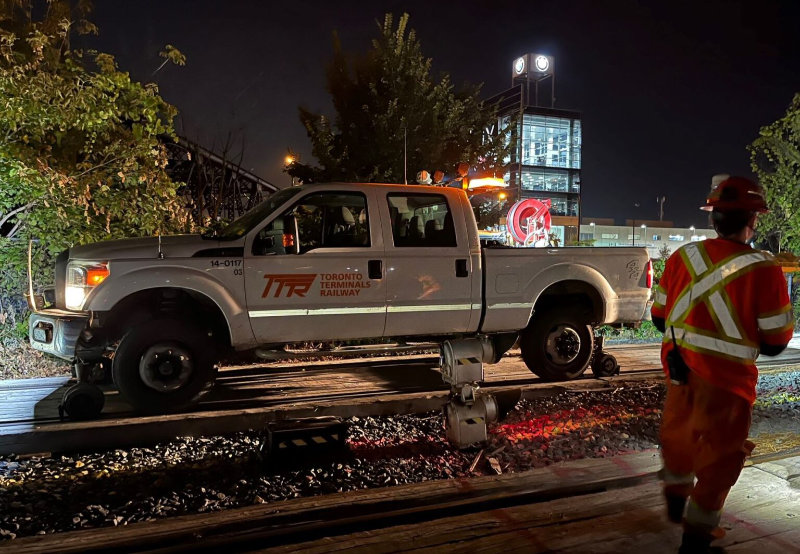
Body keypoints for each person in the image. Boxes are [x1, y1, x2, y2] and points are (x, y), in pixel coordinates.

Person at [650, 176, 793, 553]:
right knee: (721, 458)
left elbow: (660, 317)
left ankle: (675, 500)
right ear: (754, 220)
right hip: (727, 383)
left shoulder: (683, 257)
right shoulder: (764, 268)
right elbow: (777, 340)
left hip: (679, 371)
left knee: (678, 437)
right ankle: (696, 538)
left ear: (713, 218)